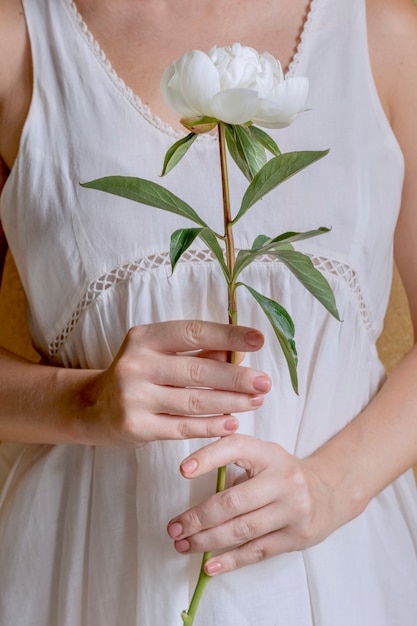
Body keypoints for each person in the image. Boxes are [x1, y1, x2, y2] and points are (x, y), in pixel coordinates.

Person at [0, 0, 417, 624]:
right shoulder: (18, 43)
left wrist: (333, 485)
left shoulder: (386, 36)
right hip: (91, 567)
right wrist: (82, 402)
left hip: (346, 562)